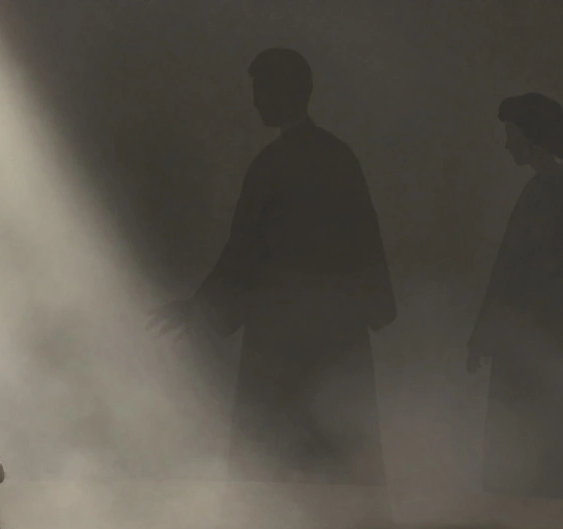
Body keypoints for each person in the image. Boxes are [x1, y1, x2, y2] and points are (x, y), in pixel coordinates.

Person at [148, 48, 396, 485]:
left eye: (263, 89)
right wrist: (374, 303)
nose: (257, 100)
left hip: (285, 332)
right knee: (330, 438)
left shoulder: (274, 164)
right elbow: (365, 238)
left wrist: (200, 307)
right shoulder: (336, 156)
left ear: (291, 90)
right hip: (332, 327)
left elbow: (245, 252)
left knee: (284, 438)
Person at [468, 92, 563, 503]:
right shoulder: (560, 187)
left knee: (550, 449)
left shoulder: (560, 189)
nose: (506, 145)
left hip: (549, 346)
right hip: (544, 345)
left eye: (511, 135)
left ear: (533, 139)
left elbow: (519, 273)